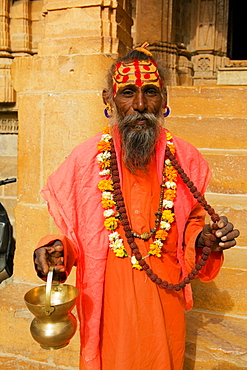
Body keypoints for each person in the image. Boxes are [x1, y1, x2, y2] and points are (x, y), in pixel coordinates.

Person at [34, 43, 240, 370]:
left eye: (151, 93)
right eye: (128, 92)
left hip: (163, 302)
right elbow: (74, 235)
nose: (140, 105)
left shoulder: (185, 159)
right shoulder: (85, 160)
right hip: (107, 305)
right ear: (108, 98)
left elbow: (192, 224)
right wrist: (55, 249)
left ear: (165, 100)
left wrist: (205, 239)